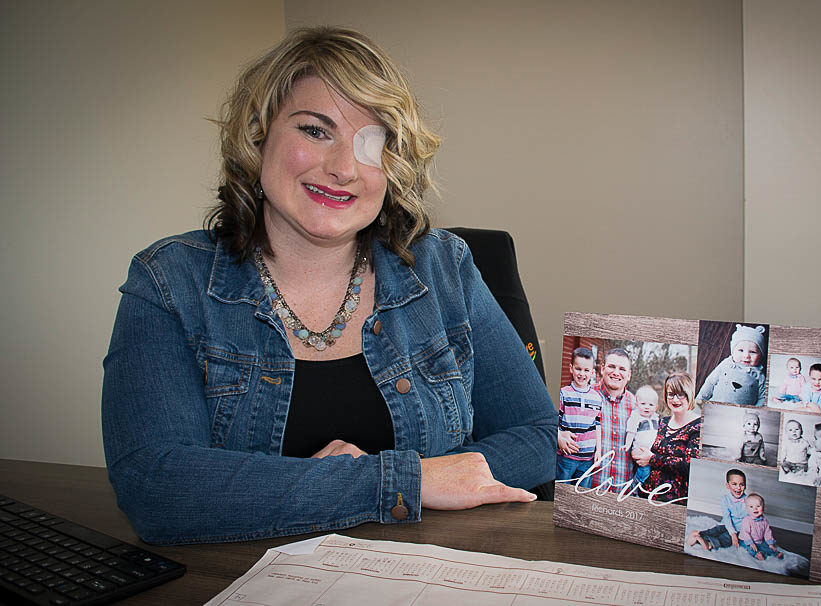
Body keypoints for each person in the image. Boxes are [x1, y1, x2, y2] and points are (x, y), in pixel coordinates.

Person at [101, 27, 555, 545]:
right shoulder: (169, 282)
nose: (343, 169)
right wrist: (402, 481)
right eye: (315, 131)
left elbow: (541, 435)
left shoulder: (443, 266)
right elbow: (156, 487)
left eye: (372, 143)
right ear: (258, 135)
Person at [572, 348, 635, 491]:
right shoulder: (583, 397)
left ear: (629, 375)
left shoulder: (637, 406)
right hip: (587, 489)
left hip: (622, 492)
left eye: (622, 369)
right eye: (612, 366)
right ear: (602, 369)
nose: (616, 372)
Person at [636, 372, 702, 503]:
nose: (675, 400)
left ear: (690, 394)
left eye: (681, 394)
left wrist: (652, 459)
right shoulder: (661, 422)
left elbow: (690, 466)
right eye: (671, 394)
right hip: (649, 495)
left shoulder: (698, 427)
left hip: (676, 501)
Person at [556, 348, 603, 482]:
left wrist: (598, 450)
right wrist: (559, 438)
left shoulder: (596, 398)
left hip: (587, 460)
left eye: (586, 370)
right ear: (571, 368)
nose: (582, 374)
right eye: (578, 369)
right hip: (566, 458)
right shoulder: (564, 394)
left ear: (592, 372)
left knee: (580, 493)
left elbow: (597, 425)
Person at [697, 324, 767, 406]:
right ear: (733, 351)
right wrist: (700, 399)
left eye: (752, 352)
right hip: (714, 406)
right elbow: (711, 381)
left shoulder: (758, 374)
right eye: (741, 350)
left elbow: (762, 397)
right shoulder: (726, 364)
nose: (746, 356)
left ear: (761, 354)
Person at [687, 468, 747, 551]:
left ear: (745, 486)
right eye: (734, 484)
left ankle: (709, 544)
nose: (738, 487)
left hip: (738, 529)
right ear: (728, 485)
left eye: (742, 484)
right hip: (725, 524)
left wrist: (733, 534)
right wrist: (731, 532)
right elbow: (727, 517)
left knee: (726, 537)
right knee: (715, 530)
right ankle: (698, 535)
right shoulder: (725, 499)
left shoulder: (748, 501)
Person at [623, 385, 659, 486]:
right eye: (643, 404)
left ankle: (643, 485)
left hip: (651, 452)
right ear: (637, 404)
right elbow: (631, 432)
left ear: (656, 407)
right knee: (644, 470)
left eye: (651, 405)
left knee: (649, 470)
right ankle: (636, 484)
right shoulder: (636, 417)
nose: (647, 407)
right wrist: (627, 445)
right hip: (639, 449)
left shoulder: (656, 418)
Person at [738, 493, 784, 561]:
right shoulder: (747, 520)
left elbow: (767, 532)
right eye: (751, 507)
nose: (755, 509)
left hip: (759, 541)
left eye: (758, 506)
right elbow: (745, 533)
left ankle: (775, 554)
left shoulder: (764, 520)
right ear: (747, 509)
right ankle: (757, 554)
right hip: (745, 540)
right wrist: (751, 543)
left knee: (766, 546)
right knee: (750, 548)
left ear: (763, 507)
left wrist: (770, 544)